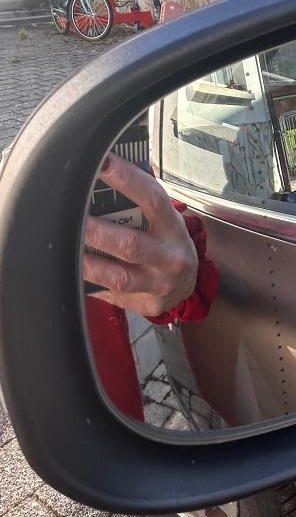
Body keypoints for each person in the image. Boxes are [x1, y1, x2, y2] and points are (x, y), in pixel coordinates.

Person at [81, 152, 219, 421]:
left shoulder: (94, 153)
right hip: (72, 417)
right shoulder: (21, 182)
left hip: (115, 419)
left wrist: (179, 266)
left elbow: (154, 228)